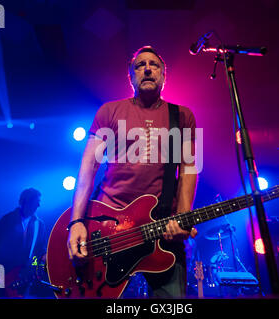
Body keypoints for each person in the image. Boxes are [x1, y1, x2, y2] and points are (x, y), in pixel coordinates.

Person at [67, 46, 199, 298]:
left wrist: (182, 218)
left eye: (154, 65)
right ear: (130, 76)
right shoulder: (109, 111)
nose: (147, 69)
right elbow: (88, 168)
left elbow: (188, 170)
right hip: (108, 230)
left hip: (161, 231)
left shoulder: (183, 116)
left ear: (163, 75)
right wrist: (77, 222)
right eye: (140, 65)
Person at [0, 188, 47, 297]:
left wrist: (35, 265)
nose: (38, 206)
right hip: (1, 272)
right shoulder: (7, 219)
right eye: (36, 202)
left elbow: (38, 252)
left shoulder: (39, 224)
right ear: (25, 201)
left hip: (22, 277)